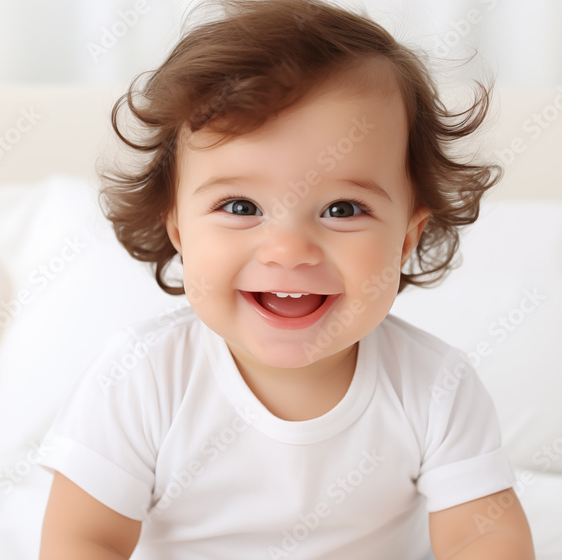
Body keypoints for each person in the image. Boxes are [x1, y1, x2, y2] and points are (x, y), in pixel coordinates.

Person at [38, 0, 534, 558]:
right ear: (177, 226)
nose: (288, 251)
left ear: (405, 238)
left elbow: (483, 536)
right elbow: (84, 539)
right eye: (241, 205)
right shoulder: (143, 378)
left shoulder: (435, 386)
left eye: (343, 209)